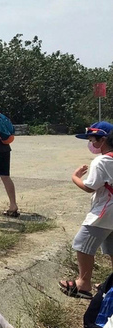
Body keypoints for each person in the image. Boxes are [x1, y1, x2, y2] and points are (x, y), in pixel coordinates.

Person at [60, 122, 113, 299]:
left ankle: (83, 284)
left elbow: (90, 187)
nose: (91, 143)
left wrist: (75, 177)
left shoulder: (102, 161)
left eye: (92, 139)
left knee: (82, 244)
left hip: (105, 212)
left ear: (102, 139)